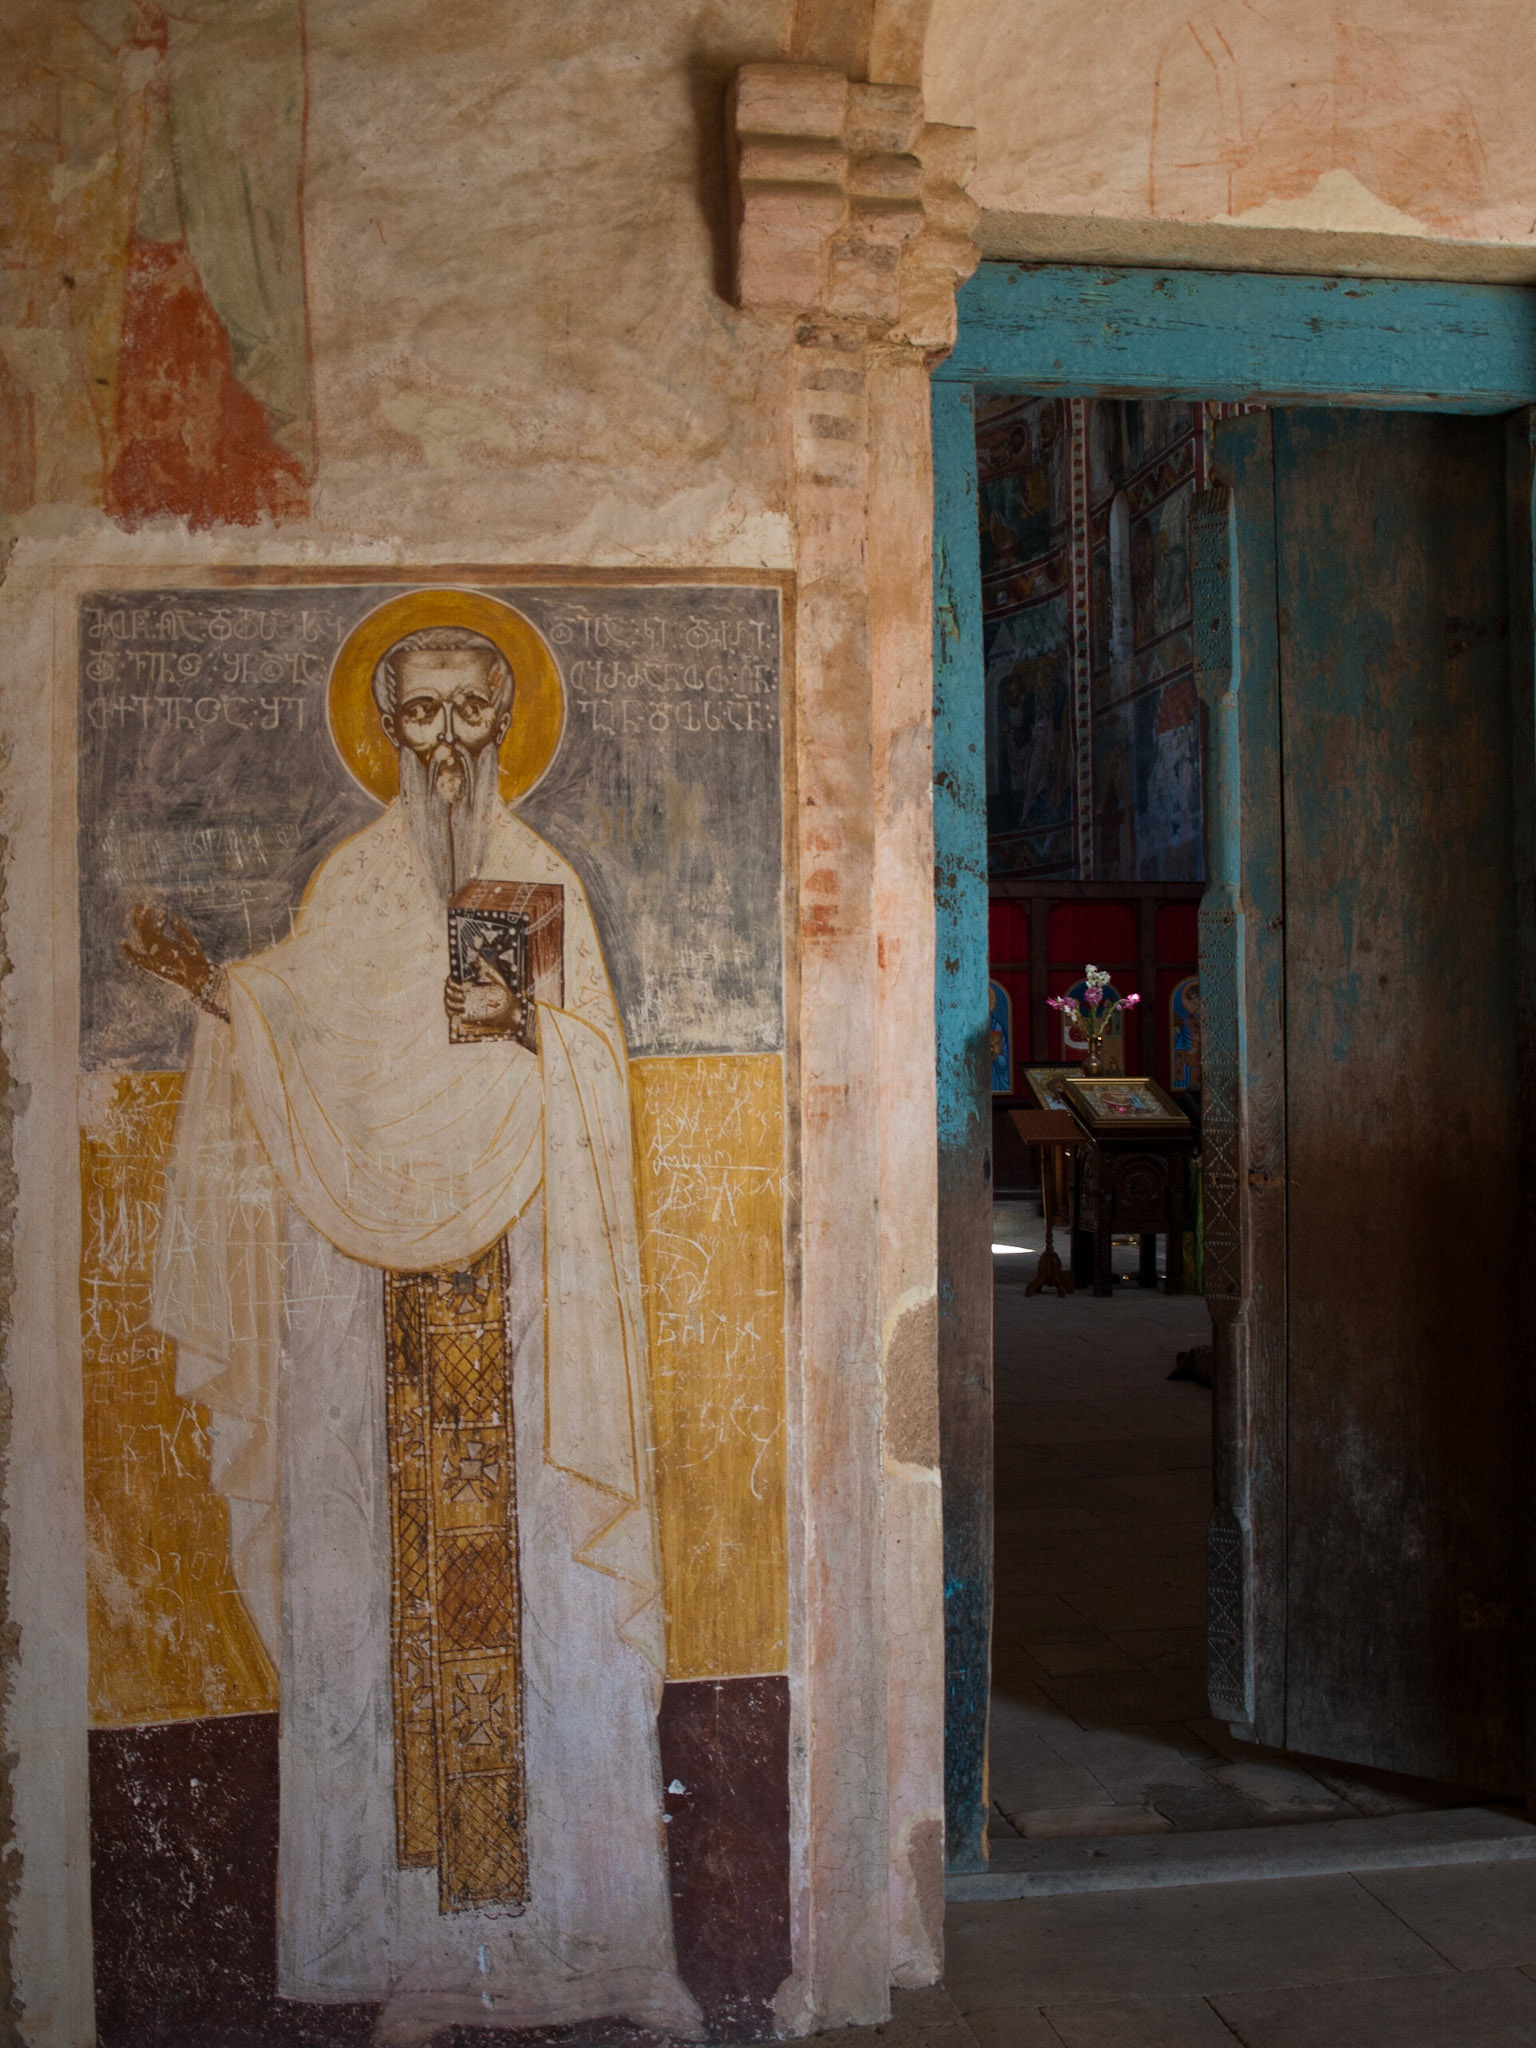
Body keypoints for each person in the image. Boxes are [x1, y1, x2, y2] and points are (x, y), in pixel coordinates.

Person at [129, 624, 700, 2041]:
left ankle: (600, 1948)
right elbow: (313, 1042)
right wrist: (222, 995)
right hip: (377, 1322)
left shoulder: (526, 879)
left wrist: (529, 1034)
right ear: (385, 732)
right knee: (385, 1620)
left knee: (554, 1617)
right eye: (420, 714)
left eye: (467, 712)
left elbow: (574, 1070)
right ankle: (416, 1956)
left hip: (523, 1318)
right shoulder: (355, 886)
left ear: (504, 722)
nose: (445, 741)